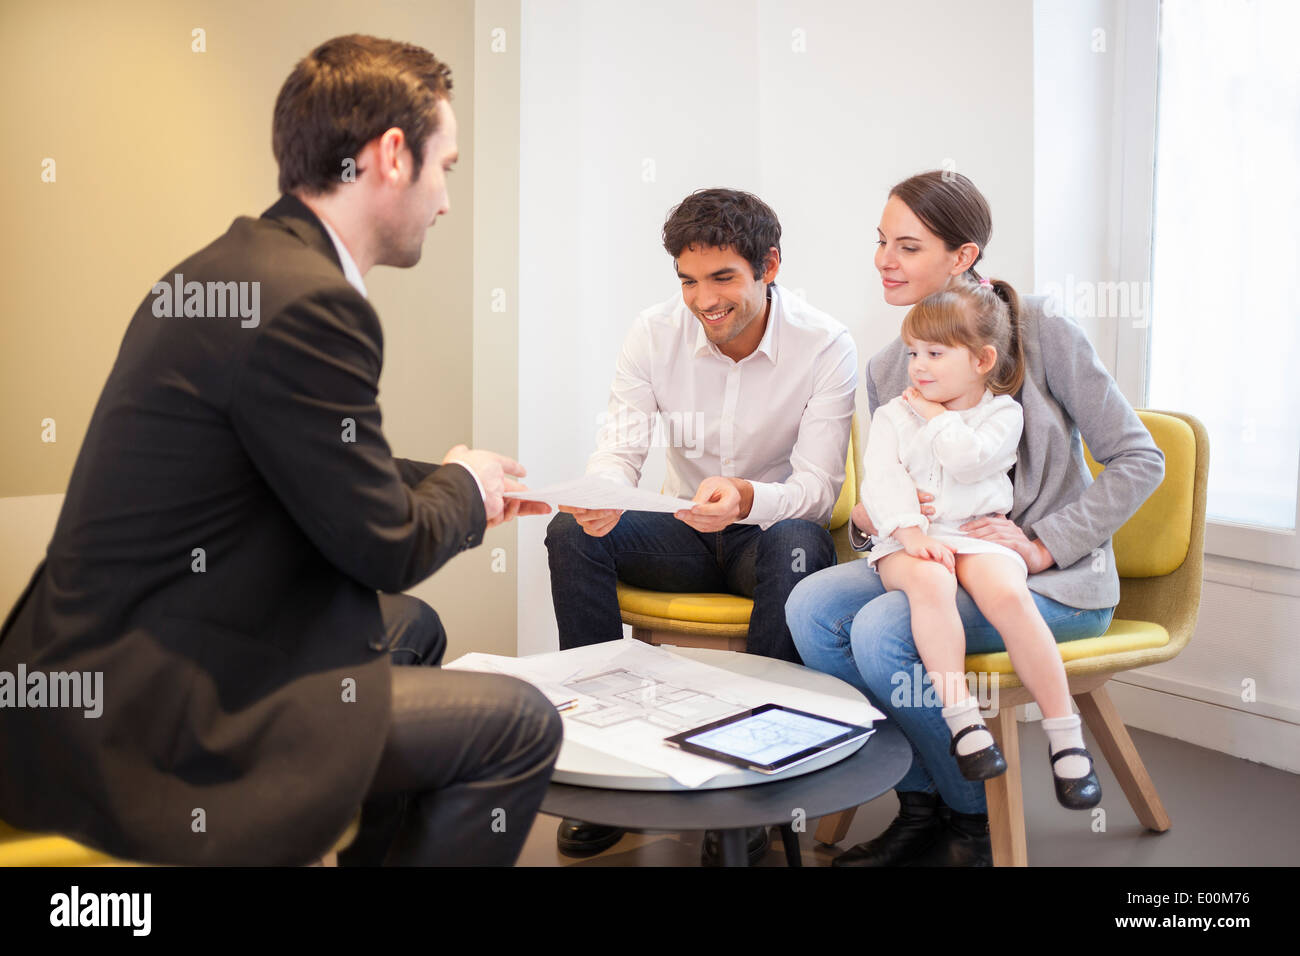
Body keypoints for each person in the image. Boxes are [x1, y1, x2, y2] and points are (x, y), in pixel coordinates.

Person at [0, 34, 559, 866]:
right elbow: (387, 545)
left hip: (85, 669)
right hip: (145, 716)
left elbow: (302, 468)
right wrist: (465, 495)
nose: (446, 200)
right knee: (520, 722)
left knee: (412, 631)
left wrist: (453, 480)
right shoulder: (312, 304)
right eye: (447, 167)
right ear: (391, 156)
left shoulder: (242, 268)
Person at [785, 170, 1164, 867]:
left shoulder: (1041, 329)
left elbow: (1140, 459)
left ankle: (970, 820)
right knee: (809, 607)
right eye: (880, 242)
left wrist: (1047, 544)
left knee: (880, 632)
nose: (883, 260)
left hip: (1045, 585)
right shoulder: (890, 366)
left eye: (907, 245)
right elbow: (890, 490)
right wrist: (877, 519)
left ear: (963, 257)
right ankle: (926, 798)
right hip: (937, 558)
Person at [545, 187, 857, 862]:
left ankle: (755, 791)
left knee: (800, 545)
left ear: (769, 266)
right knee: (573, 533)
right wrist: (605, 494)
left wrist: (748, 497)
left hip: (767, 532)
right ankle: (607, 761)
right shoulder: (654, 332)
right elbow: (620, 446)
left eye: (723, 279)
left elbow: (816, 490)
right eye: (689, 280)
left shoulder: (825, 345)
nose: (704, 300)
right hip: (680, 530)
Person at [860, 277, 1101, 810]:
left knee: (1009, 595)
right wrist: (910, 532)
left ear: (982, 359)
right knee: (930, 581)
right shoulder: (893, 414)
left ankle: (1065, 736)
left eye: (935, 354)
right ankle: (963, 720)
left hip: (976, 531)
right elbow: (880, 480)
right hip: (906, 535)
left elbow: (968, 459)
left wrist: (938, 418)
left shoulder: (1002, 413)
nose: (918, 366)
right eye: (914, 352)